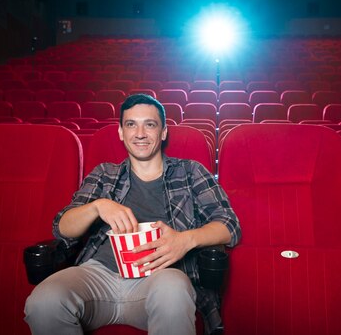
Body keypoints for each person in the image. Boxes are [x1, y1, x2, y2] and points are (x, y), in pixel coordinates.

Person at [24, 94, 241, 335]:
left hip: (160, 278)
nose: (139, 134)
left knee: (173, 290)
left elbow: (229, 225)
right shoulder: (105, 173)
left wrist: (185, 240)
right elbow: (62, 227)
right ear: (120, 132)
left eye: (149, 124)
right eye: (131, 124)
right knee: (43, 301)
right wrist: (99, 206)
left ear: (163, 132)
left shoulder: (190, 172)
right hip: (98, 275)